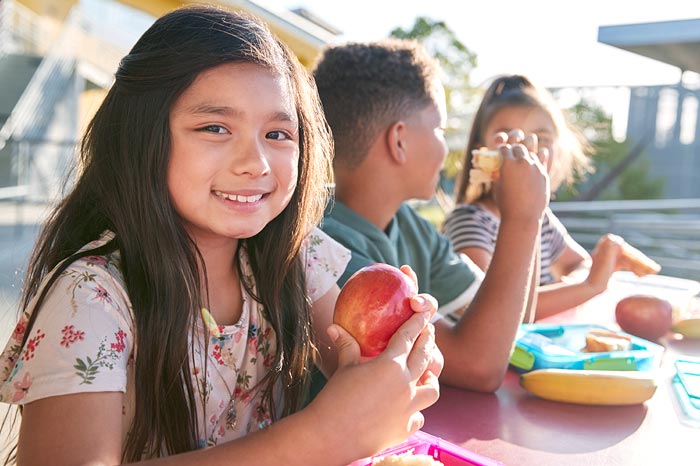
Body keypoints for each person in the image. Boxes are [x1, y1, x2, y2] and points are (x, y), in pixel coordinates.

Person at [0, 7, 443, 465]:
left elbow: (355, 364)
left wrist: (403, 352)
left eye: (277, 133)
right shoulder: (91, 298)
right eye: (215, 128)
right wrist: (319, 437)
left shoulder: (293, 257)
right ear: (141, 136)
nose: (256, 162)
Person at [312, 40, 549, 392]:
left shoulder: (410, 226)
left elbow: (513, 321)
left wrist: (530, 209)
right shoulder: (324, 243)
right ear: (400, 141)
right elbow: (479, 366)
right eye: (439, 129)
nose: (445, 147)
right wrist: (522, 218)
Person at [444, 74, 640, 320]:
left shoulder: (543, 219)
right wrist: (588, 287)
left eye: (541, 139)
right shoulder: (470, 221)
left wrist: (571, 285)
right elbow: (492, 311)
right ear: (481, 150)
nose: (525, 151)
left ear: (558, 154)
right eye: (507, 138)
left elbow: (579, 264)